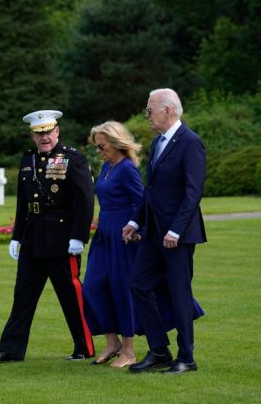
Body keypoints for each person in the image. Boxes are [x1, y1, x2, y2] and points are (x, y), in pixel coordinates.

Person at [0, 110, 95, 364]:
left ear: (57, 131)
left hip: (62, 239)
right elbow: (23, 202)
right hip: (33, 238)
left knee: (70, 296)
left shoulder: (73, 158)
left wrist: (78, 236)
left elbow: (85, 200)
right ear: (32, 135)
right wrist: (16, 236)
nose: (44, 137)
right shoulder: (28, 160)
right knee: (22, 295)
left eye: (48, 131)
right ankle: (11, 350)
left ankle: (84, 347)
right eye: (39, 133)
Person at [123, 88, 207, 374]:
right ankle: (159, 351)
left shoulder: (190, 142)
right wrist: (136, 222)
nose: (147, 115)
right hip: (153, 233)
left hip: (176, 236)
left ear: (167, 110)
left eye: (150, 110)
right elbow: (152, 191)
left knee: (179, 292)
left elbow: (193, 192)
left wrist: (176, 231)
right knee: (138, 284)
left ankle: (187, 358)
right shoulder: (158, 143)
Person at [82, 121, 143, 368]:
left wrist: (135, 227)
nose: (99, 152)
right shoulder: (107, 166)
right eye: (96, 147)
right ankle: (112, 342)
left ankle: (128, 350)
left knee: (121, 289)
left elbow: (141, 201)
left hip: (122, 235)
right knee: (93, 287)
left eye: (102, 147)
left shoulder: (127, 168)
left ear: (117, 143)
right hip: (104, 233)